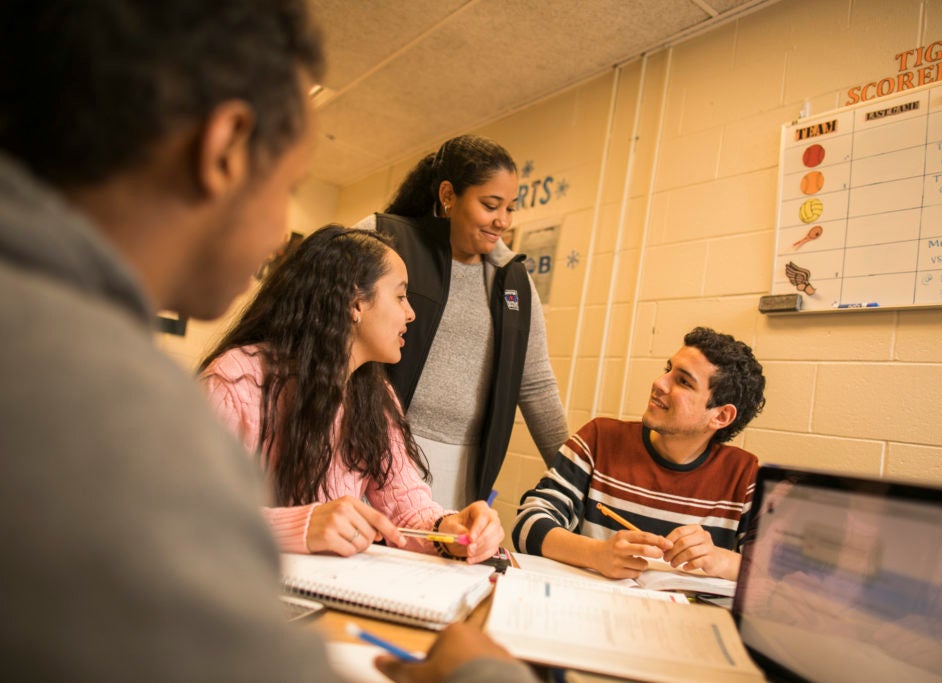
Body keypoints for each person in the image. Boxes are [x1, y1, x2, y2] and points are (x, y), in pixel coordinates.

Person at [0, 1, 535, 681]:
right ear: (225, 148)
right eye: (288, 186)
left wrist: (447, 527)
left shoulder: (372, 396)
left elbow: (405, 500)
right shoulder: (118, 397)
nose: (281, 233)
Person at [198, 226, 503, 564]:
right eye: (400, 296)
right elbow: (184, 511)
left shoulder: (374, 396)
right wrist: (301, 526)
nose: (411, 313)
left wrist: (451, 531)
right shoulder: (236, 380)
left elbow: (407, 512)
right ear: (356, 303)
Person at [353, 135, 568, 508]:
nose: (503, 221)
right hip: (370, 447)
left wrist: (574, 478)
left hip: (463, 469)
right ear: (448, 195)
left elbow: (536, 385)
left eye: (510, 208)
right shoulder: (384, 238)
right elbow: (321, 330)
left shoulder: (513, 280)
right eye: (490, 205)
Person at [513, 327, 767, 582]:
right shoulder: (599, 439)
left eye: (683, 381)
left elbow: (774, 576)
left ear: (721, 416)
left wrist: (720, 559)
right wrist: (595, 554)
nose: (659, 383)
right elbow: (528, 524)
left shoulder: (744, 475)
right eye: (668, 370)